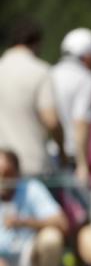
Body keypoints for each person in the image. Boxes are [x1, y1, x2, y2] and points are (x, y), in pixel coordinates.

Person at [0, 150, 68, 266]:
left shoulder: (31, 188)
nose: (2, 180)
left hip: (28, 258)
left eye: (7, 174)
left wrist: (24, 222)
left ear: (17, 174)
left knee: (51, 238)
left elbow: (61, 223)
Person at [0, 17, 63, 177]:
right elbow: (52, 121)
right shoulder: (40, 71)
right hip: (31, 164)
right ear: (37, 43)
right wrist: (62, 150)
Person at [51, 28, 91, 188]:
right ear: (87, 57)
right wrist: (82, 164)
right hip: (71, 156)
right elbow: (81, 121)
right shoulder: (87, 79)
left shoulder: (50, 73)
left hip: (49, 154)